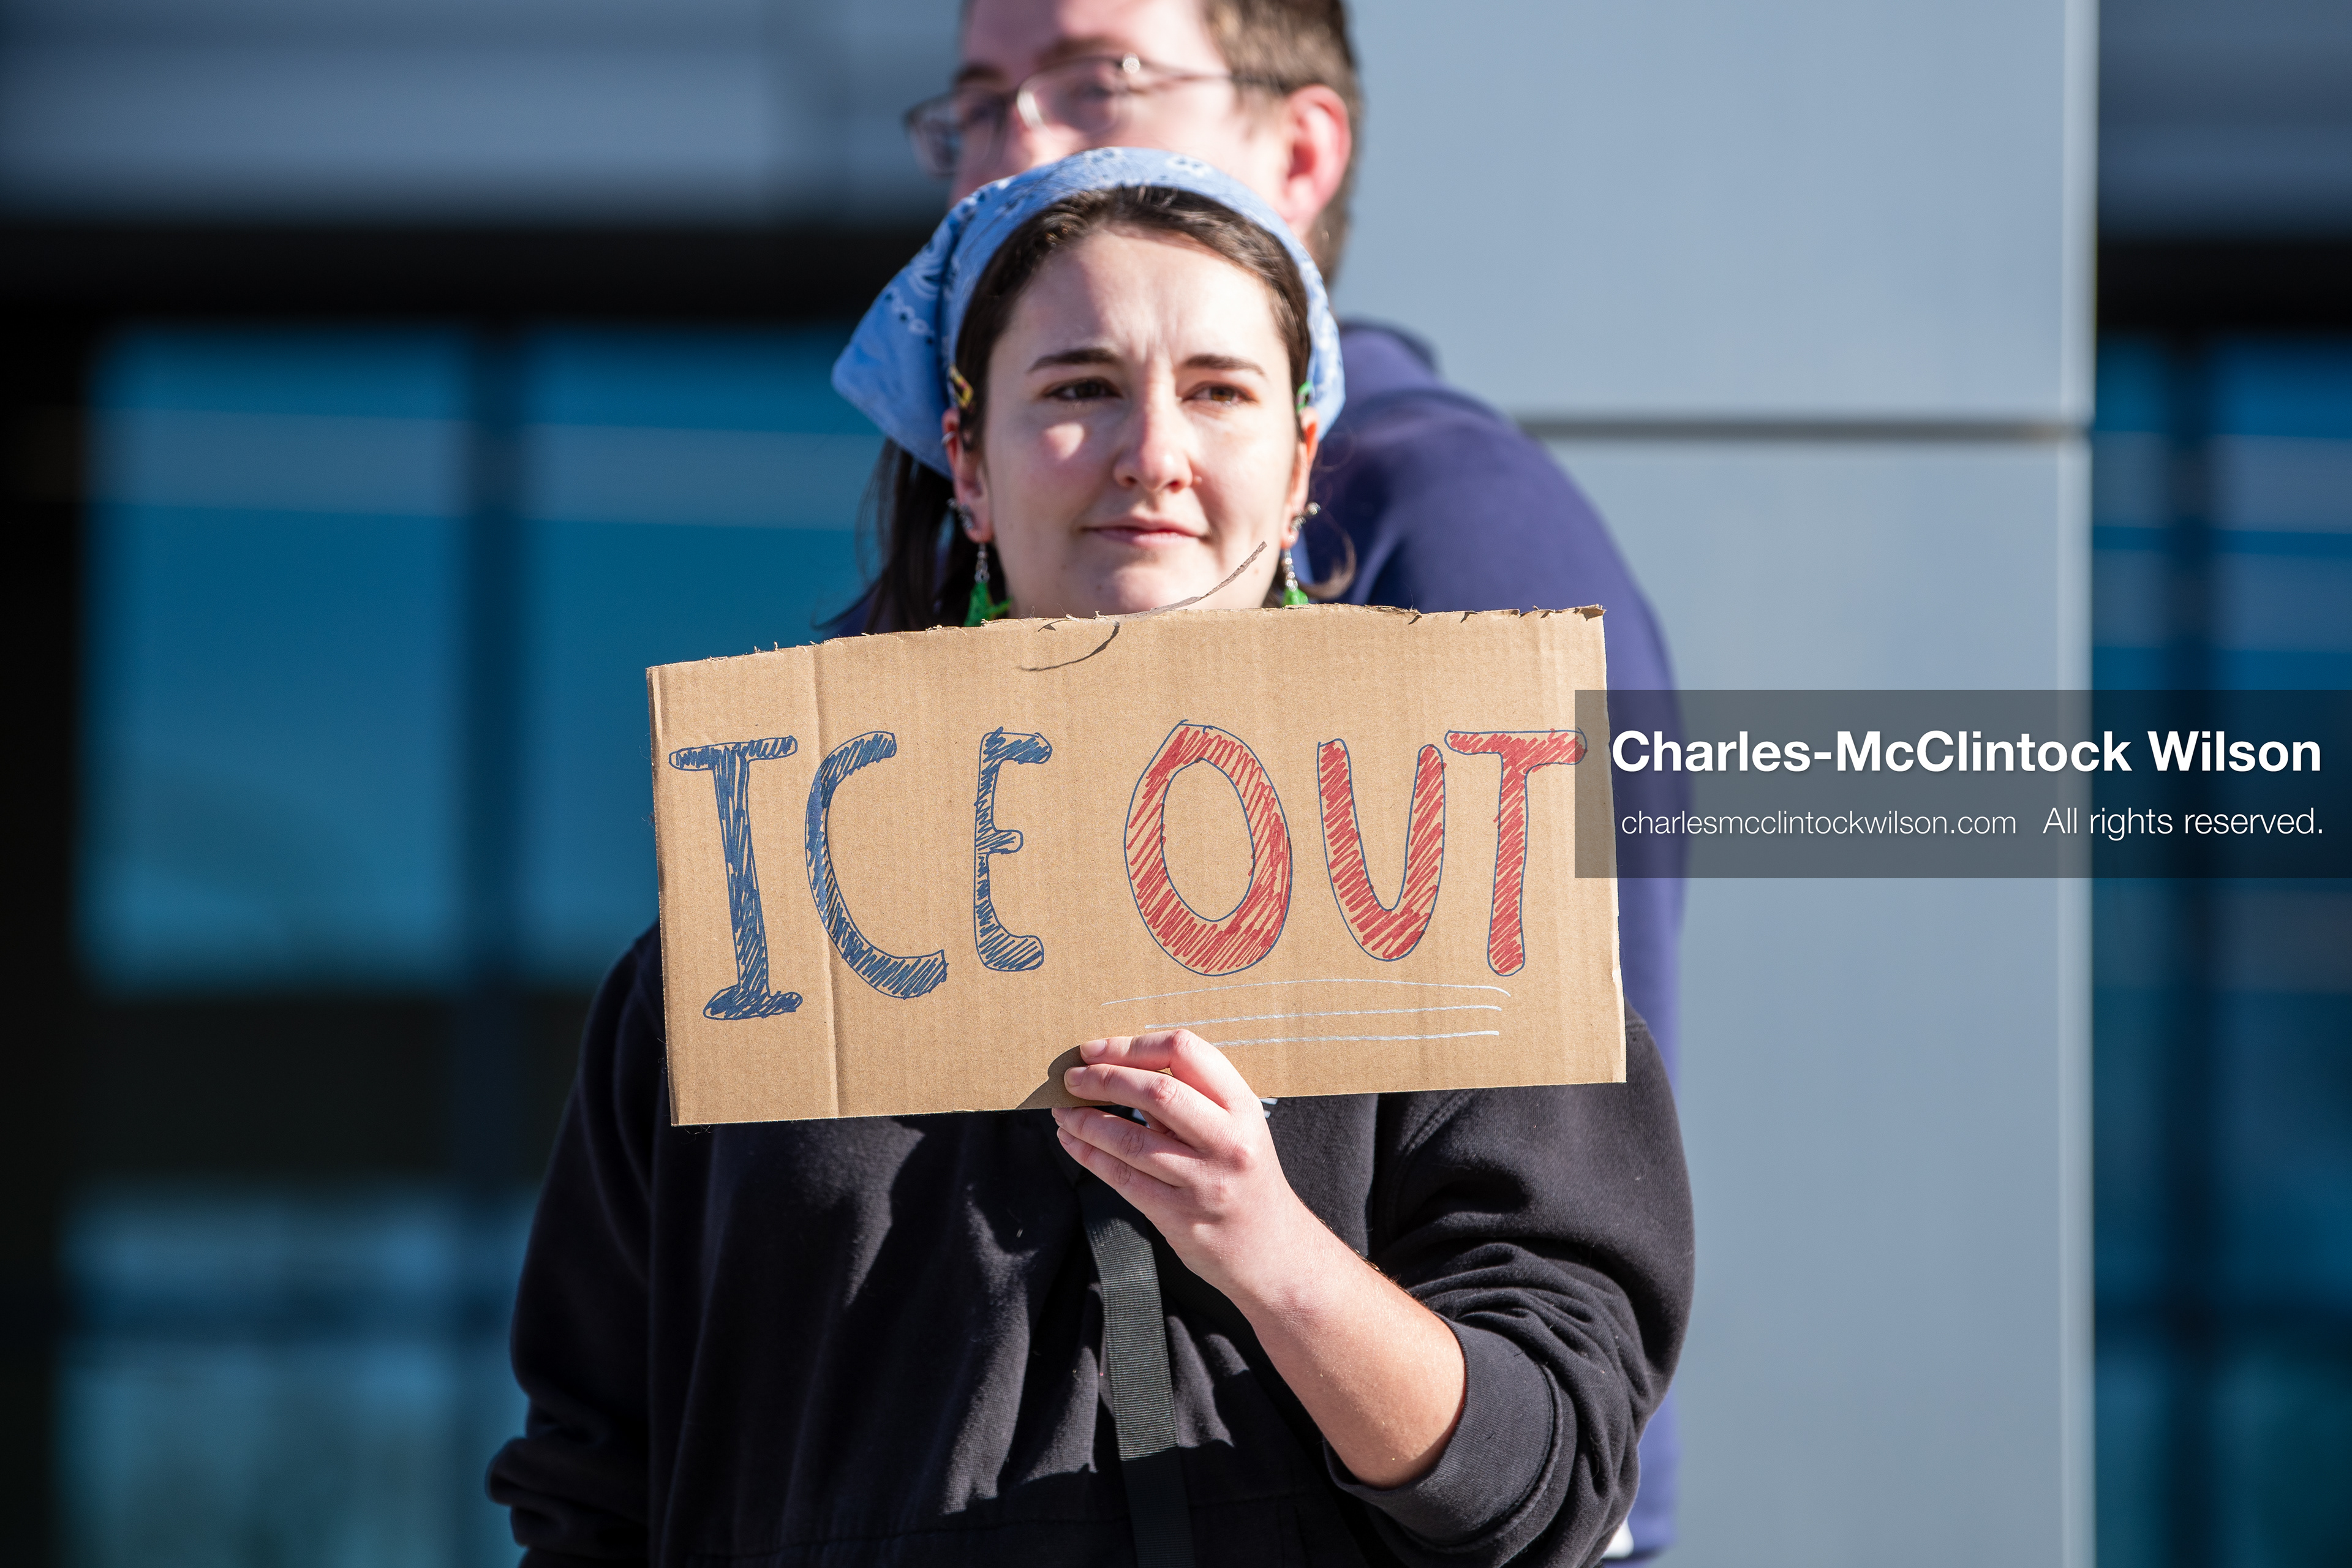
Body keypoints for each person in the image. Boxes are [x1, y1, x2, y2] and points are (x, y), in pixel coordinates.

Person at [490, 149, 1691, 1568]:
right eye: (1077, 389)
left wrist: (1267, 1240)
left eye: (1221, 390)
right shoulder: (739, 951)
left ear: (1303, 468)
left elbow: (1546, 1471)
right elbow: (593, 1483)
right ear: (972, 469)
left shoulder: (1465, 892)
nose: (1153, 452)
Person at [905, 2, 1693, 1552]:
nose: (1023, 140)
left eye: (1096, 79)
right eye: (982, 99)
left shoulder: (1459, 532)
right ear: (973, 468)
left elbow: (1565, 1158)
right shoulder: (933, 637)